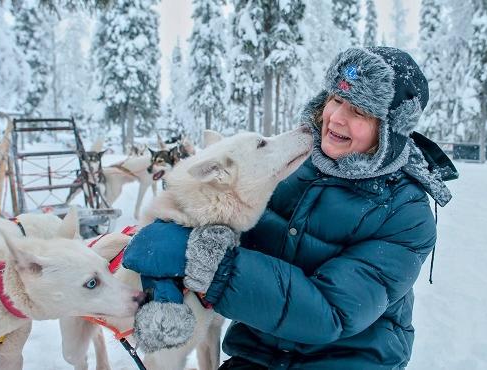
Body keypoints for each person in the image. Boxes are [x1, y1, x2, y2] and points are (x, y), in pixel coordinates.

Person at [127, 47, 456, 369]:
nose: (336, 118)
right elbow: (224, 221)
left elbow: (331, 314)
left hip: (347, 359)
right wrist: (171, 238)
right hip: (259, 353)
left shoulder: (406, 214)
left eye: (359, 111)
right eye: (336, 100)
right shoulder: (292, 167)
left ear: (389, 131)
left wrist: (216, 267)